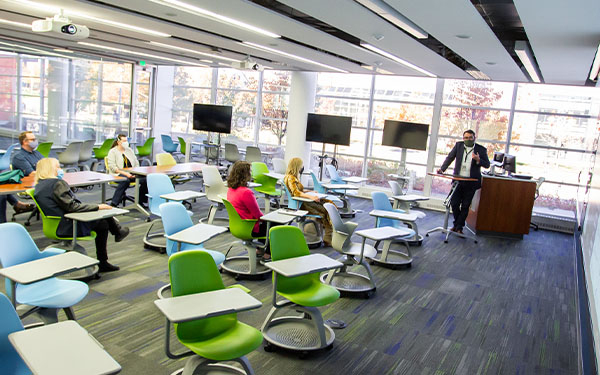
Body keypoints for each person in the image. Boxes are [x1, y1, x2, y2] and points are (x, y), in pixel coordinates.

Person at [34, 158, 129, 272]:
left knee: (102, 218)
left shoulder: (39, 185)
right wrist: (98, 206)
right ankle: (113, 241)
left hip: (55, 225)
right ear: (50, 169)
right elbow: (72, 207)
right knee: (103, 217)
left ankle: (117, 233)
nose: (61, 169)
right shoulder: (57, 184)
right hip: (69, 225)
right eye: (58, 167)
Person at [437, 129, 490, 234]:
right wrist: (442, 169)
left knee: (465, 205)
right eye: (466, 138)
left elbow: (487, 165)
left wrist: (478, 160)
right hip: (458, 180)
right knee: (454, 203)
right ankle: (457, 224)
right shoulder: (458, 146)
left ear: (474, 138)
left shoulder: (481, 149)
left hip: (471, 182)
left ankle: (459, 227)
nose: (468, 139)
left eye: (470, 137)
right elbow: (450, 158)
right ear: (463, 138)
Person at [283, 157, 333, 246]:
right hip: (301, 204)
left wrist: (309, 192)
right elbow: (296, 193)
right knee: (326, 209)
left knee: (327, 204)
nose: (302, 167)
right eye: (301, 165)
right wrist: (311, 197)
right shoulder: (291, 178)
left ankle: (328, 235)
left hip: (302, 201)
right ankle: (328, 236)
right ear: (297, 166)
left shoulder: (293, 177)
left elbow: (299, 191)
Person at [226, 161, 270, 259]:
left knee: (266, 223)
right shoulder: (246, 192)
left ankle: (260, 250)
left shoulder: (230, 189)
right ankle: (267, 255)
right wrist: (269, 219)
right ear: (245, 174)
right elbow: (257, 215)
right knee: (274, 225)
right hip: (249, 228)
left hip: (237, 226)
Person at [0, 131, 38, 223]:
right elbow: (32, 173)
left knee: (2, 187)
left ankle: (16, 204)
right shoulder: (19, 157)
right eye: (32, 139)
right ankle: (3, 225)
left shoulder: (36, 153)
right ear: (24, 142)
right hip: (29, 181)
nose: (35, 141)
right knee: (1, 195)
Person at [106, 134, 148, 207]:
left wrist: (136, 172)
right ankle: (114, 203)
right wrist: (126, 174)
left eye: (126, 141)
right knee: (125, 180)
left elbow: (136, 162)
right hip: (118, 174)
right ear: (119, 142)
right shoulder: (112, 151)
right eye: (124, 141)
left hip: (131, 173)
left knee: (146, 179)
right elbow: (113, 167)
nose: (126, 142)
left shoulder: (129, 150)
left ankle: (140, 201)